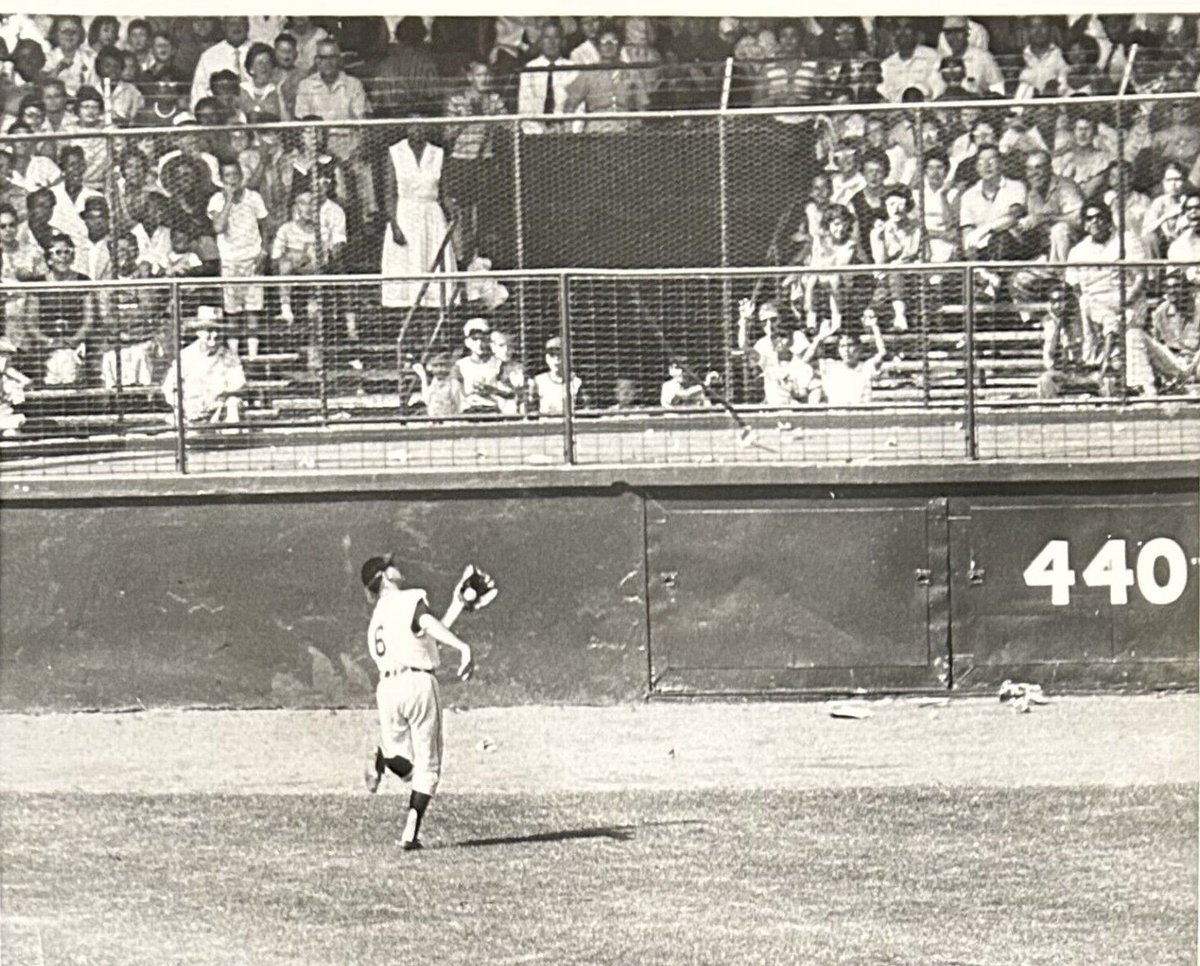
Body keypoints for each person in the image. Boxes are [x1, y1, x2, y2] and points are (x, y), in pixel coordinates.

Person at [359, 553, 478, 851]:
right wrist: (463, 647)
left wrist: (457, 605)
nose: (397, 567)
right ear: (385, 577)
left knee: (407, 764)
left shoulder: (378, 618)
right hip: (418, 683)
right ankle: (410, 833)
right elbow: (425, 622)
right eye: (391, 565)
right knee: (429, 767)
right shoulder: (410, 598)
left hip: (387, 689)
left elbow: (426, 635)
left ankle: (385, 759)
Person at [1065, 200, 1148, 373]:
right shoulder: (1077, 251)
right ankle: (1095, 365)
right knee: (1084, 305)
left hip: (1125, 299)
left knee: (1127, 330)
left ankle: (1121, 373)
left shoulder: (1126, 240)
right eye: (1089, 219)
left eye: (1099, 217)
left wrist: (1123, 303)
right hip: (1093, 305)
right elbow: (1075, 287)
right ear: (1085, 225)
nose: (1094, 222)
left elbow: (1140, 278)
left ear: (1109, 221)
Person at [381, 122, 456, 310]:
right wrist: (395, 226)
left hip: (432, 216)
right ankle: (408, 312)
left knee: (434, 263)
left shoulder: (437, 153)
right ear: (406, 127)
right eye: (412, 125)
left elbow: (444, 191)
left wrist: (451, 210)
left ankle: (433, 310)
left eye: (422, 125)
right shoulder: (395, 152)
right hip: (405, 214)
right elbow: (389, 193)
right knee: (406, 265)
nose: (417, 129)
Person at [208, 157, 268, 357]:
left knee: (253, 310)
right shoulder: (216, 200)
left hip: (252, 260)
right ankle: (234, 355)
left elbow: (265, 226)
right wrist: (228, 201)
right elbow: (218, 227)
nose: (232, 180)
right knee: (232, 311)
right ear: (221, 179)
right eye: (227, 176)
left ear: (241, 176)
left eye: (235, 174)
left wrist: (264, 251)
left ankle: (253, 356)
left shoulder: (254, 198)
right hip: (230, 262)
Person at [161, 305, 246, 424]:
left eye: (217, 330)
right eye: (209, 330)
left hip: (218, 412)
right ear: (199, 332)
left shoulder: (229, 356)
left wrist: (219, 401)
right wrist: (181, 405)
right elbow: (169, 387)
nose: (214, 335)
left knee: (233, 404)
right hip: (189, 412)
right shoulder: (185, 356)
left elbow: (237, 385)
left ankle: (231, 442)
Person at [819, 313, 887, 406]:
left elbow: (882, 353)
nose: (846, 350)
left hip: (861, 415)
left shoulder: (867, 367)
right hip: (837, 416)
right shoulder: (831, 366)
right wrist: (820, 336)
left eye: (850, 345)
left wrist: (875, 327)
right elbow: (807, 359)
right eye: (842, 346)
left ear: (859, 348)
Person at [190, 16, 251, 110]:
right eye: (231, 24)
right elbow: (198, 92)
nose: (236, 27)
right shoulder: (209, 56)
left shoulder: (260, 52)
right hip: (220, 116)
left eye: (240, 23)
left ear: (247, 26)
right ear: (223, 27)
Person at [529, 336, 586, 414]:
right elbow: (531, 411)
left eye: (559, 354)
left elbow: (582, 411)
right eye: (552, 355)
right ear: (546, 358)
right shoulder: (538, 381)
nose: (556, 359)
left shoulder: (576, 382)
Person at [410, 351, 464, 417]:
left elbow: (459, 406)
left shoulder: (453, 383)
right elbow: (426, 399)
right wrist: (422, 376)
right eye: (435, 366)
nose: (439, 369)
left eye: (442, 365)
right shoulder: (434, 382)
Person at [0, 335, 31, 435]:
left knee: (10, 433)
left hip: (4, 415)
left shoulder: (9, 375)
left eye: (5, 355)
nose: (4, 358)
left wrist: (19, 385)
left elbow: (26, 381)